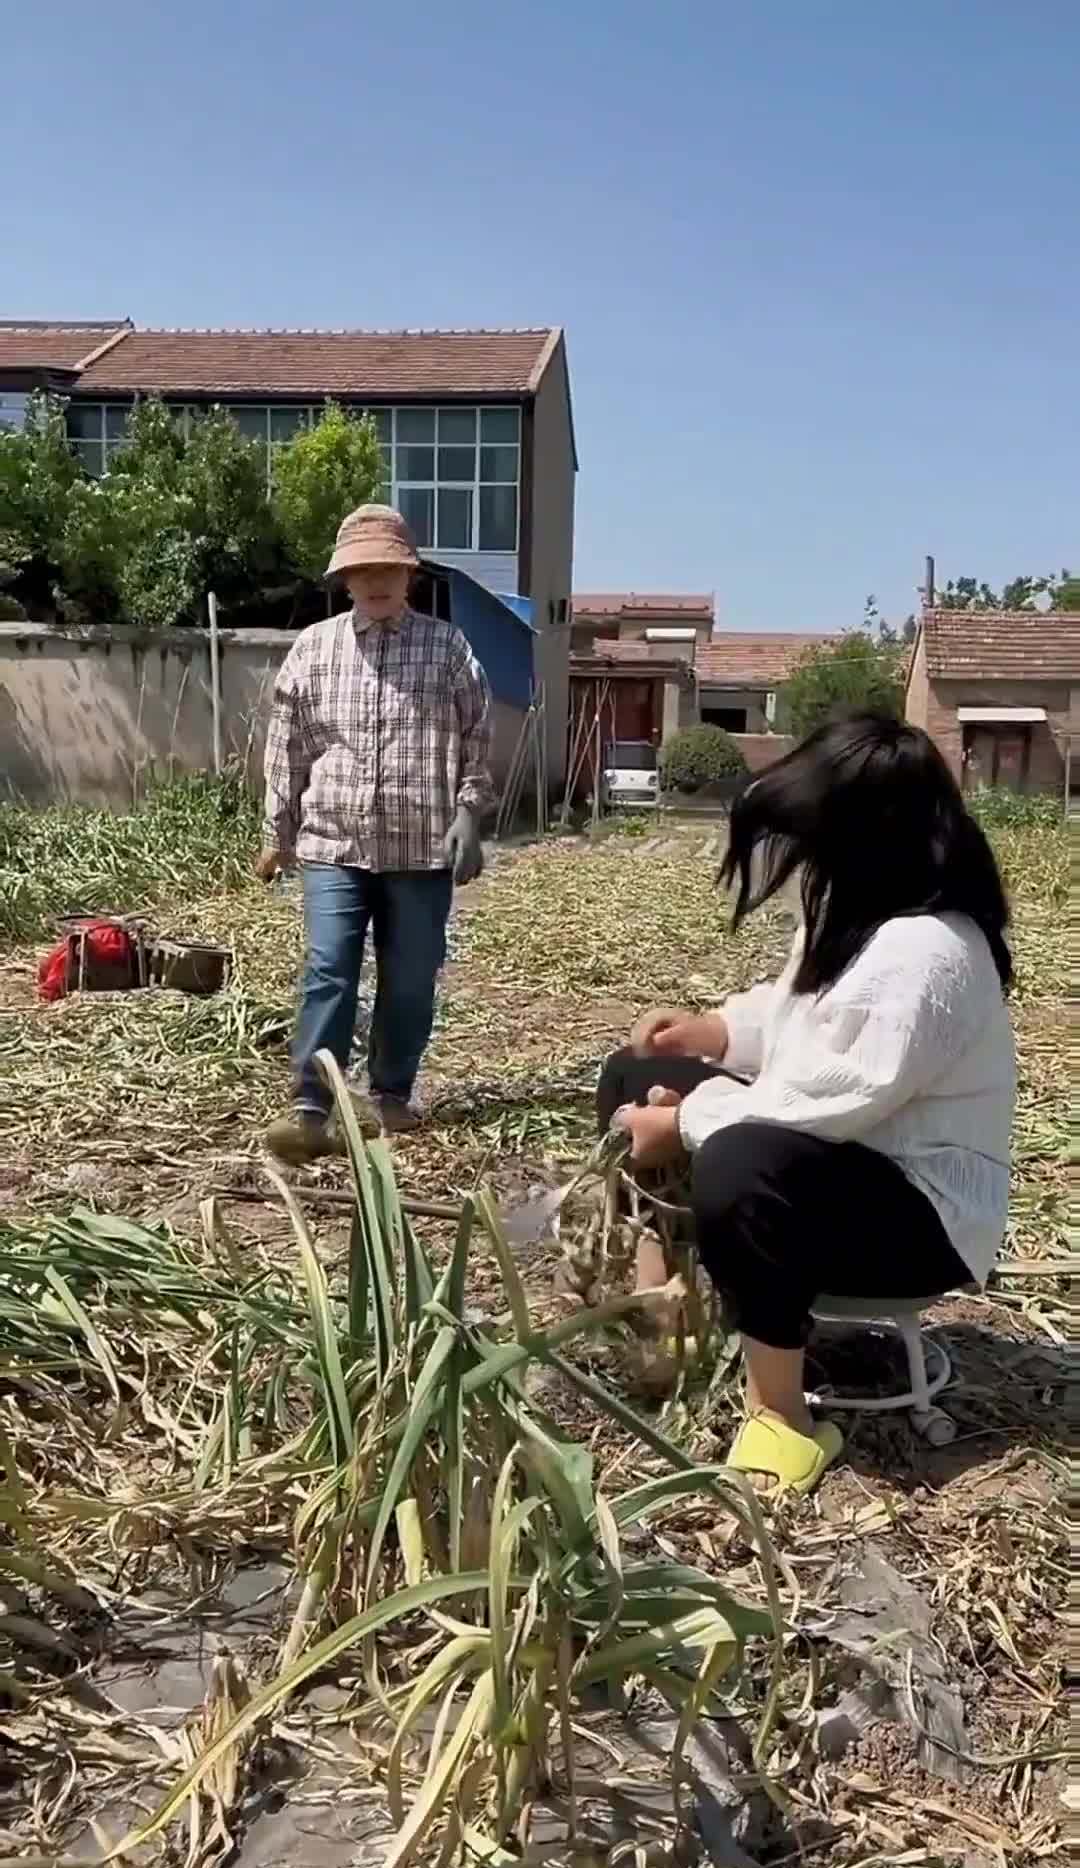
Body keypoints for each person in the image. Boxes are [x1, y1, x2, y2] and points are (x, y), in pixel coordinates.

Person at [598, 712, 1016, 1497]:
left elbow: (836, 1094)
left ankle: (781, 1417)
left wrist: (686, 1123)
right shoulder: (868, 913)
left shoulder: (930, 951)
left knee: (741, 1162)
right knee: (633, 1071)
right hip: (845, 1161)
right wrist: (713, 1033)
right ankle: (662, 1310)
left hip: (919, 1218)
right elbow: (799, 1016)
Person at [258, 504, 494, 1163]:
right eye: (362, 572)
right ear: (346, 580)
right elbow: (288, 747)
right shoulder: (315, 648)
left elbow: (478, 733)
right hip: (333, 841)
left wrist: (470, 814)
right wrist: (278, 834)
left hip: (420, 846)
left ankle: (390, 1092)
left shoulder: (446, 647)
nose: (376, 582)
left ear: (408, 575)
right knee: (330, 966)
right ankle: (311, 1105)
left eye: (386, 569)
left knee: (412, 975)